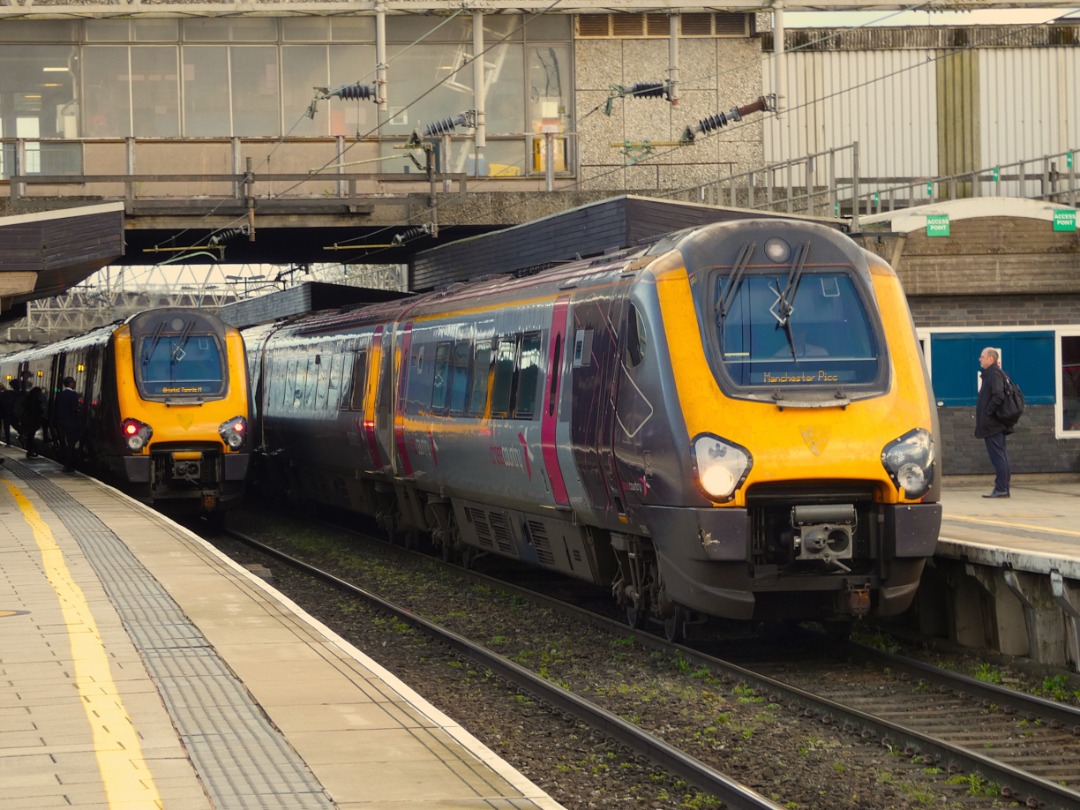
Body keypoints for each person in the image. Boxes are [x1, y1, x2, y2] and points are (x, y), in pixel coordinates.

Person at [975, 346, 1011, 498]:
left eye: (982, 357)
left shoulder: (994, 374)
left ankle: (1002, 488)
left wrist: (987, 412)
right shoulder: (992, 374)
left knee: (998, 456)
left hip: (993, 424)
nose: (980, 359)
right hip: (993, 423)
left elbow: (998, 396)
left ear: (991, 359)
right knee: (1000, 455)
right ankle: (1002, 487)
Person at [55, 376, 82, 472]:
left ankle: (66, 462)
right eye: (73, 382)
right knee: (72, 442)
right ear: (69, 384)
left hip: (62, 422)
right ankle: (68, 464)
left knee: (67, 442)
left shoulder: (61, 394)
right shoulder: (72, 395)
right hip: (71, 422)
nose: (75, 384)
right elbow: (74, 407)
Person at [18, 386, 45, 459]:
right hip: (33, 420)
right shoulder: (35, 400)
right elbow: (38, 410)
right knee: (31, 435)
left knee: (30, 435)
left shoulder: (28, 398)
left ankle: (29, 450)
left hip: (27, 419)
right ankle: (30, 450)